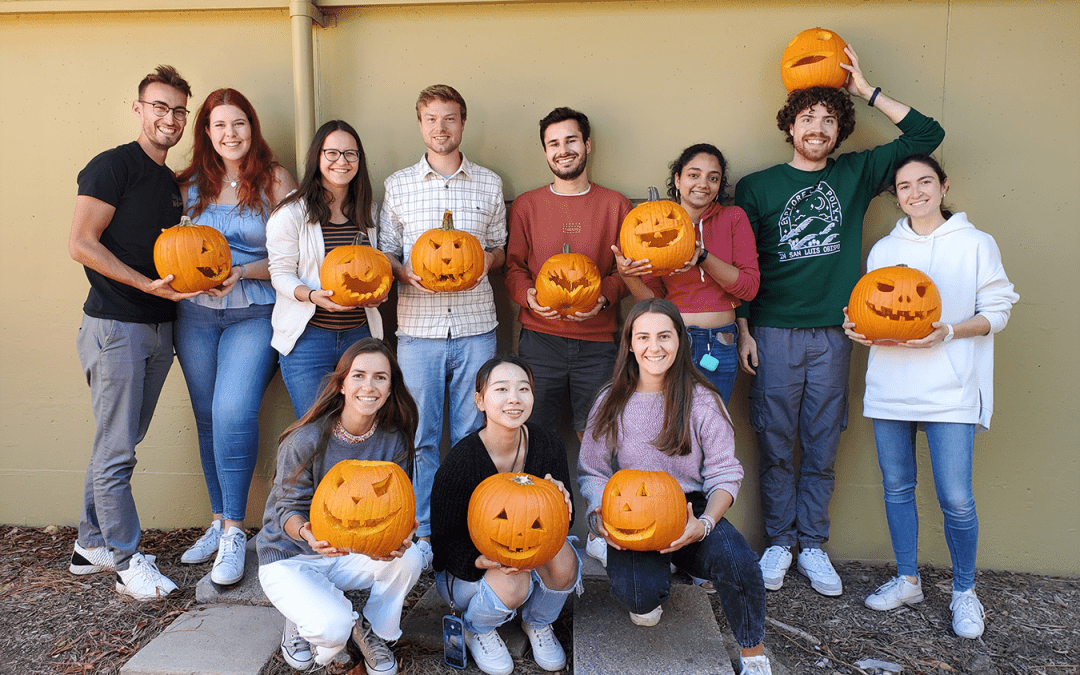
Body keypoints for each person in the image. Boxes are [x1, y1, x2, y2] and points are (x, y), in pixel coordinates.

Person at [734, 46, 945, 595]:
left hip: (836, 330)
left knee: (822, 440)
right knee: (776, 440)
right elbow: (743, 266)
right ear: (790, 125)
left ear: (840, 130)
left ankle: (813, 545)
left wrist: (863, 90)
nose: (819, 127)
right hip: (774, 330)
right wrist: (743, 328)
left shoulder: (856, 172)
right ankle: (779, 542)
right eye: (808, 117)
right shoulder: (757, 187)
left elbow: (926, 137)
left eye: (830, 119)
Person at [843, 155, 1018, 639]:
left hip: (952, 388)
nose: (914, 192)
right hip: (891, 388)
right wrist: (854, 327)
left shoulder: (976, 244)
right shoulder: (884, 248)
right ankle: (907, 579)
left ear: (943, 186)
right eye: (903, 186)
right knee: (897, 487)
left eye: (924, 182)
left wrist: (949, 332)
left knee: (956, 498)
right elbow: (871, 309)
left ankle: (965, 591)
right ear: (895, 195)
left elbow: (998, 311)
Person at [578, 299, 772, 675]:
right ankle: (654, 577)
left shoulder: (702, 399)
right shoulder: (610, 401)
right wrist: (598, 517)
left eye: (665, 336)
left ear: (680, 341)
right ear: (630, 345)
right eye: (644, 337)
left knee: (738, 559)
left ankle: (753, 654)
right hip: (631, 515)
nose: (655, 346)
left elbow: (724, 472)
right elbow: (592, 471)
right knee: (641, 602)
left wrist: (706, 523)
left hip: (690, 511)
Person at [67, 65, 195, 600]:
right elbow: (81, 243)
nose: (170, 118)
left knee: (119, 442)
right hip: (117, 326)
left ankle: (89, 544)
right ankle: (124, 557)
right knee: (117, 449)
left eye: (179, 110)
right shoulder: (112, 167)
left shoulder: (168, 181)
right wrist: (145, 284)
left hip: (158, 330)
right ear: (139, 109)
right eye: (160, 107)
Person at [172, 88, 298, 585]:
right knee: (207, 418)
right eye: (220, 125)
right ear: (206, 131)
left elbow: (293, 255)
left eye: (239, 123)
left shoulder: (274, 180)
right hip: (196, 316)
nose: (230, 133)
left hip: (254, 312)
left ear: (253, 126)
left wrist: (242, 272)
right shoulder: (189, 186)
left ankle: (235, 532)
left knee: (232, 411)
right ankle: (219, 517)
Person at [378, 84, 507, 543]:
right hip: (418, 331)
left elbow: (498, 249)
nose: (440, 128)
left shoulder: (489, 183)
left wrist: (485, 264)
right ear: (420, 124)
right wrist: (404, 272)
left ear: (463, 123)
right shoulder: (398, 186)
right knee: (422, 437)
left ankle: (472, 524)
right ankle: (428, 531)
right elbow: (386, 253)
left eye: (449, 118)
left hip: (476, 328)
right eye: (431, 119)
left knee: (475, 434)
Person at [256, 338, 423, 674]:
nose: (369, 386)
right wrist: (307, 532)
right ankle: (302, 618)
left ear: (391, 389)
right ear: (343, 384)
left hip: (346, 552)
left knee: (412, 557)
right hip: (293, 555)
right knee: (332, 631)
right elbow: (284, 509)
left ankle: (375, 633)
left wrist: (394, 540)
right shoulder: (306, 439)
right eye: (359, 375)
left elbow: (398, 507)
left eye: (380, 377)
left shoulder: (394, 441)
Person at [430, 356, 580, 675]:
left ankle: (538, 623)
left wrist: (561, 502)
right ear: (480, 400)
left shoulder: (548, 444)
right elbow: (441, 544)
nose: (514, 398)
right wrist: (478, 560)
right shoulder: (461, 462)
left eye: (523, 388)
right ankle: (475, 628)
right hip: (466, 571)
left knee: (566, 560)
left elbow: (560, 524)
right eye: (501, 389)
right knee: (514, 582)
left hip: (521, 553)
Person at [505, 107, 632, 436]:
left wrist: (603, 298)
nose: (563, 150)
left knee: (596, 435)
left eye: (571, 140)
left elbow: (629, 273)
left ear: (587, 145)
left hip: (598, 343)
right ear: (546, 151)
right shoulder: (526, 205)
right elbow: (513, 266)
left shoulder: (615, 205)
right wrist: (528, 296)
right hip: (540, 339)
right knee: (533, 430)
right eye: (554, 143)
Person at [614, 143, 760, 404]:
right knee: (669, 428)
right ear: (678, 179)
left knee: (711, 429)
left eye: (713, 178)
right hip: (671, 341)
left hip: (720, 343)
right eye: (694, 175)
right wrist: (627, 274)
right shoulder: (651, 227)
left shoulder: (733, 218)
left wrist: (702, 257)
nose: (703, 184)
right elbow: (651, 302)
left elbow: (748, 287)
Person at [267, 120, 385, 419]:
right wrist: (310, 295)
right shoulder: (292, 213)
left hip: (359, 336)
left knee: (359, 424)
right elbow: (279, 273)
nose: (341, 161)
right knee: (315, 427)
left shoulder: (369, 211)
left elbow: (376, 268)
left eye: (350, 154)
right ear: (317, 158)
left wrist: (379, 293)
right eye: (331, 153)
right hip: (309, 339)